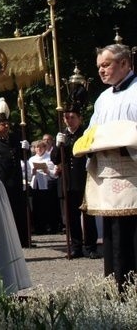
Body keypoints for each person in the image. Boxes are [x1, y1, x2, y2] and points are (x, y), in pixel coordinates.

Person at [76, 43, 137, 290]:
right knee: (112, 235)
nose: (101, 71)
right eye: (99, 66)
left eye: (106, 65)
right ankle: (116, 288)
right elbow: (91, 132)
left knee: (132, 234)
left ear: (124, 63)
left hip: (132, 173)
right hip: (108, 174)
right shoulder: (102, 99)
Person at [55, 106, 99, 258]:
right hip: (68, 181)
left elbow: (92, 154)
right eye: (67, 117)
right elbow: (56, 159)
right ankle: (76, 246)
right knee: (72, 216)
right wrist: (57, 145)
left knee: (88, 215)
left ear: (80, 119)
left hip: (84, 178)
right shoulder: (63, 135)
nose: (69, 120)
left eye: (72, 117)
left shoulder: (85, 134)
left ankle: (91, 246)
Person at [0, 113, 31, 248]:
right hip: (2, 181)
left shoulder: (15, 139)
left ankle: (24, 239)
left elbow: (23, 158)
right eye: (3, 124)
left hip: (16, 180)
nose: (6, 126)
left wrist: (26, 149)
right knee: (5, 211)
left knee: (20, 210)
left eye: (7, 124)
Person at [27, 139, 59, 235]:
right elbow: (28, 175)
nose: (39, 149)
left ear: (45, 148)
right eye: (37, 147)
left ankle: (50, 227)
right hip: (36, 185)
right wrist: (32, 173)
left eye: (41, 147)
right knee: (36, 207)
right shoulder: (31, 159)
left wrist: (48, 171)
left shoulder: (49, 158)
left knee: (48, 207)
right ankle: (39, 228)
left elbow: (55, 174)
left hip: (47, 185)